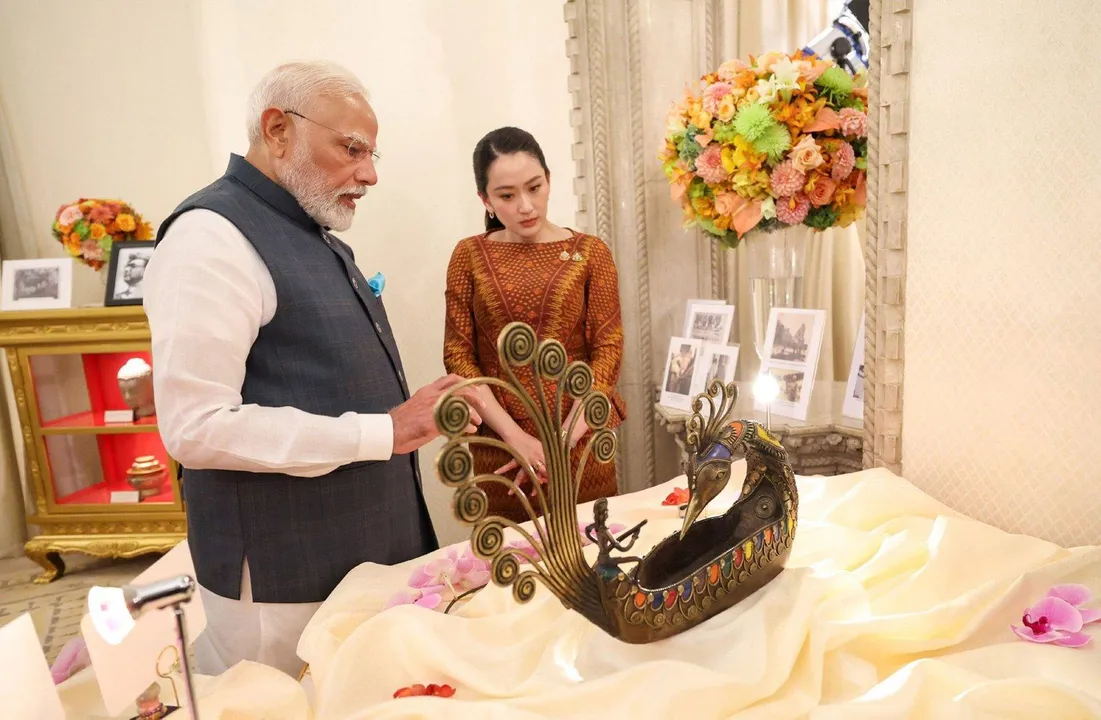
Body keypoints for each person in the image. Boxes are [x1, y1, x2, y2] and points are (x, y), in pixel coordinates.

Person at [143, 60, 480, 678]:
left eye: (372, 153)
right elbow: (195, 426)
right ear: (277, 130)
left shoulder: (305, 227)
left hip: (348, 562)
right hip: (283, 581)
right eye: (352, 149)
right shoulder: (210, 237)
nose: (370, 174)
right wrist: (383, 431)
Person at [443, 127, 625, 523]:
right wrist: (515, 438)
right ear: (485, 200)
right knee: (512, 566)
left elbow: (608, 349)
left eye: (534, 187)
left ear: (548, 180)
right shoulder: (469, 256)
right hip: (500, 445)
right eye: (507, 196)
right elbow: (458, 357)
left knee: (593, 556)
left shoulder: (591, 253)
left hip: (579, 438)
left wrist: (562, 441)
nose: (526, 205)